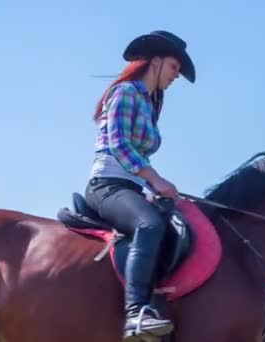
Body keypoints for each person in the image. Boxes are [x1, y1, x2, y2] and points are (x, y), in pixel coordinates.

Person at [84, 30, 196, 341]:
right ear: (157, 61)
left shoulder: (148, 103)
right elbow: (119, 144)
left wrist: (151, 186)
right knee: (149, 224)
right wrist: (156, 179)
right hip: (106, 185)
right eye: (175, 67)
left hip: (130, 187)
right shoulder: (125, 92)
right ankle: (135, 313)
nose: (176, 77)